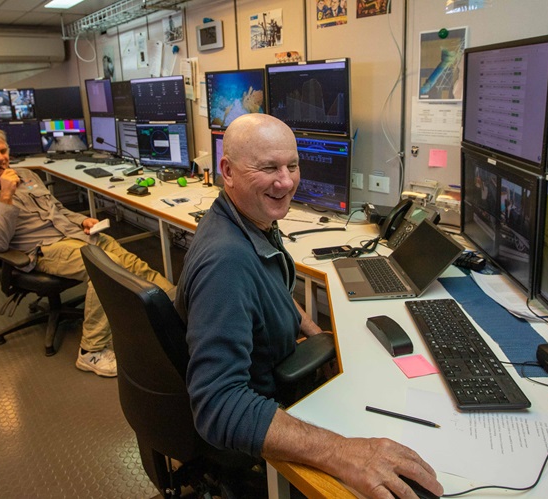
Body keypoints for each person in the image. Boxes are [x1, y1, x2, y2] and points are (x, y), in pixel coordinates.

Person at [175, 114, 443, 498]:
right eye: (268, 168)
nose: (285, 182)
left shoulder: (248, 217)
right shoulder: (226, 264)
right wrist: (341, 451)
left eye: (292, 165)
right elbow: (218, 406)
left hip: (281, 369)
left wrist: (315, 331)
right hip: (269, 406)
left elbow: (272, 289)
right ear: (228, 171)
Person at [0, 128, 175, 378]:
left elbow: (56, 209)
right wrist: (6, 195)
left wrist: (81, 221)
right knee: (107, 270)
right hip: (41, 249)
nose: (1, 157)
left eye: (3, 150)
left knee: (131, 262)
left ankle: (173, 308)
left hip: (73, 235)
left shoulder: (26, 174)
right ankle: (90, 352)